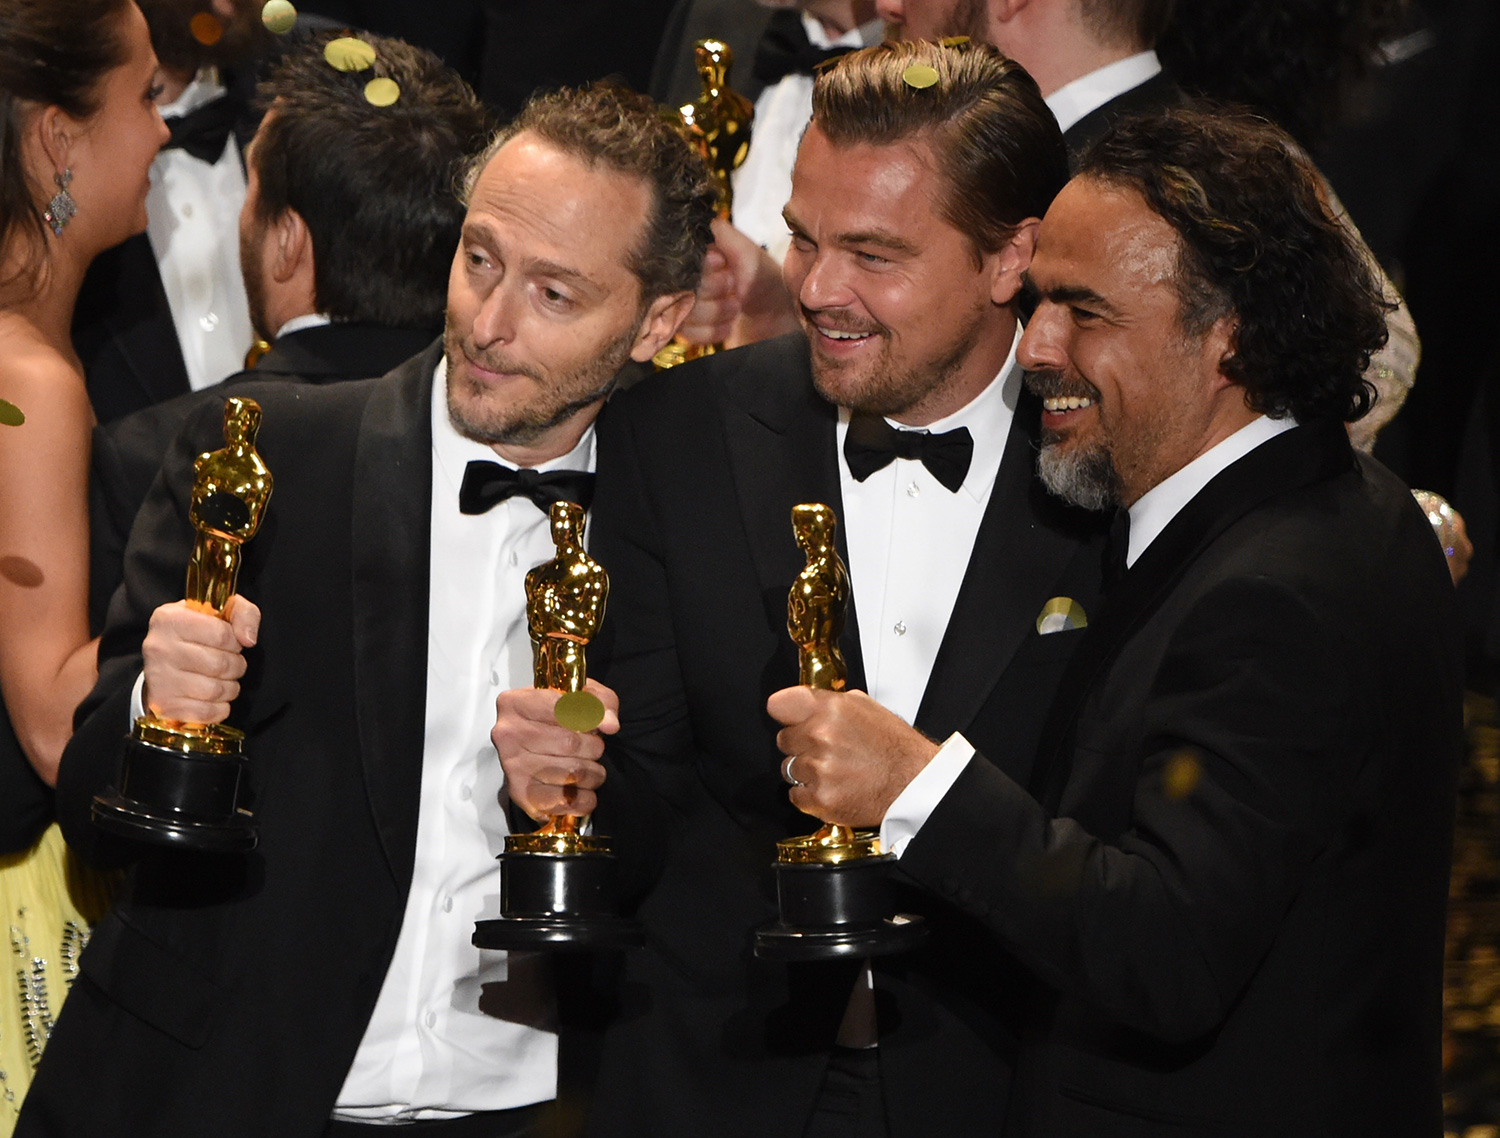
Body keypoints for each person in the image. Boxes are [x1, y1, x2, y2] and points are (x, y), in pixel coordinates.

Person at [20, 84, 713, 1137]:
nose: (489, 320)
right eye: (479, 259)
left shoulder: (678, 518)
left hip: (522, 1109)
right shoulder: (268, 455)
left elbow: (675, 834)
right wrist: (156, 706)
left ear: (658, 319)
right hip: (220, 1095)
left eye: (554, 295)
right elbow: (87, 800)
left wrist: (583, 785)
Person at [771, 106, 1462, 1134]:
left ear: (1228, 339)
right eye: (1039, 299)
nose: (1037, 345)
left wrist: (916, 787)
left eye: (1083, 313)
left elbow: (1168, 945)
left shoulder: (1279, 591)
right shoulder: (1332, 505)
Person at [494, 40, 1104, 1138]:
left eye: (874, 254)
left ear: (1012, 257)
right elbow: (635, 786)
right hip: (714, 1074)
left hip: (1003, 1083)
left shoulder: (1107, 461)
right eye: (805, 237)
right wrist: (566, 766)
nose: (818, 288)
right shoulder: (675, 436)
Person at [88, 31, 493, 625]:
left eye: (252, 188)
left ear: (288, 242)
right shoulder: (512, 435)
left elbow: (120, 702)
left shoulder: (154, 457)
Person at [0, 0, 169, 1128]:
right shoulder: (34, 385)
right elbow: (58, 723)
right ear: (59, 139)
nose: (163, 130)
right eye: (148, 96)